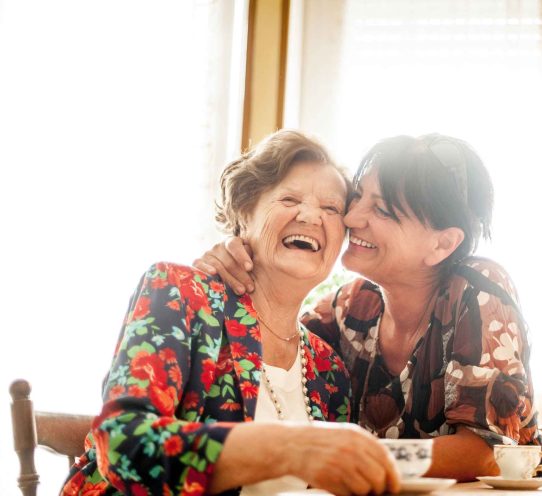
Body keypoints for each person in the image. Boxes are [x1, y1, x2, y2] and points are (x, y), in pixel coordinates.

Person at [196, 133, 542, 481]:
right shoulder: (352, 305)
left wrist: (349, 458)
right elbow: (274, 336)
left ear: (442, 244)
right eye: (357, 198)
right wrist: (240, 256)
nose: (351, 218)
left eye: (383, 210)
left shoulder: (478, 289)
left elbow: (485, 452)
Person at [62, 130, 400, 496]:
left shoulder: (329, 368)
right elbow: (122, 443)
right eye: (289, 198)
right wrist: (287, 448)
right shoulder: (180, 292)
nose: (310, 216)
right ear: (244, 213)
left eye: (331, 209)